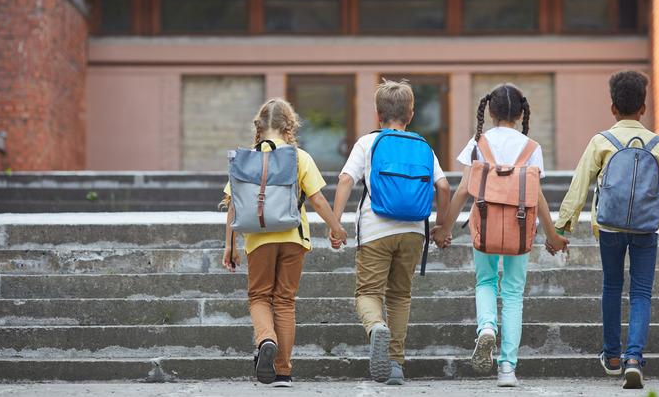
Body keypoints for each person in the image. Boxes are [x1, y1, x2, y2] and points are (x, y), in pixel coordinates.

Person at [432, 83, 568, 387]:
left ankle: (486, 328)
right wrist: (552, 234)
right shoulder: (531, 147)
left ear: (490, 112)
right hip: (520, 228)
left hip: (485, 224)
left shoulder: (478, 143)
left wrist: (445, 229)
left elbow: (463, 189)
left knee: (485, 281)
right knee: (513, 292)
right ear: (520, 114)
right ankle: (507, 368)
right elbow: (537, 197)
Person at [554, 71, 659, 390]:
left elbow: (579, 184)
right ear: (643, 108)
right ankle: (634, 359)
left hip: (609, 226)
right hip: (645, 228)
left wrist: (563, 226)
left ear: (613, 108)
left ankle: (612, 356)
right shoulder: (658, 145)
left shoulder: (601, 141)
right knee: (641, 292)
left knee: (612, 286)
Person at [220, 98, 347, 388]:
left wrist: (230, 245)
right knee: (285, 301)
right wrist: (336, 227)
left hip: (258, 240)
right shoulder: (299, 157)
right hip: (293, 236)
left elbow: (233, 205)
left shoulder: (245, 159)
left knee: (259, 297)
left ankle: (266, 339)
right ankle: (283, 372)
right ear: (289, 125)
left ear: (259, 126)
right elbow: (317, 199)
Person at [332, 79, 451, 385]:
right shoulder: (423, 146)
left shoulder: (368, 142)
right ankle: (395, 364)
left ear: (378, 114)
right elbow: (443, 186)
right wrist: (443, 227)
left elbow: (346, 180)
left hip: (375, 228)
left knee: (368, 293)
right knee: (399, 296)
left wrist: (336, 223)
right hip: (414, 231)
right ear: (410, 114)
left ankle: (376, 327)